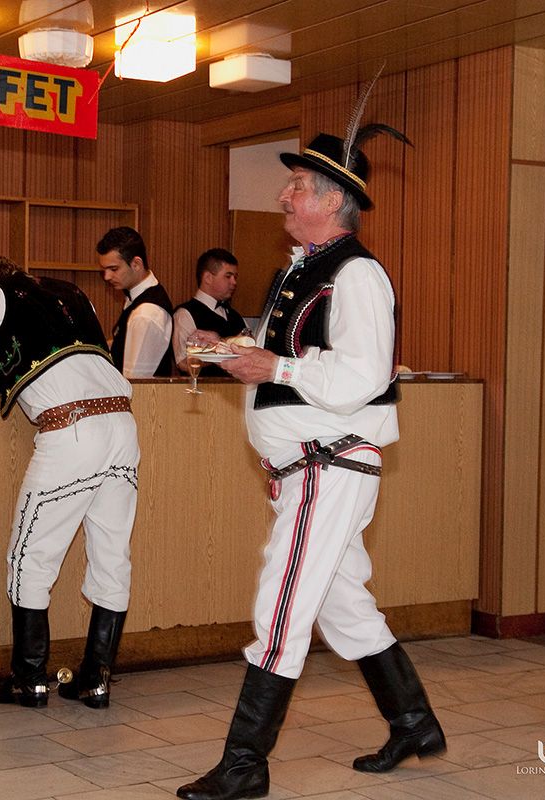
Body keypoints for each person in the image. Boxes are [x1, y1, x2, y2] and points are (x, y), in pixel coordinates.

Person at [178, 127, 443, 800]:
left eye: (296, 186)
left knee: (282, 605)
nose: (283, 195)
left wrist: (276, 366)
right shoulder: (302, 269)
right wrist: (224, 349)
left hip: (328, 464)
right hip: (307, 468)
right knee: (344, 606)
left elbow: (360, 374)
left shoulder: (357, 274)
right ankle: (413, 722)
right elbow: (280, 359)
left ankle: (245, 762)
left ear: (330, 200)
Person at [0, 254, 139, 709]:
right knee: (111, 556)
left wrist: (11, 378)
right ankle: (96, 679)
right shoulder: (72, 292)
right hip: (122, 424)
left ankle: (29, 678)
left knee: (30, 556)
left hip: (70, 429)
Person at [97, 226, 174, 378]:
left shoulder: (146, 314)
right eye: (104, 270)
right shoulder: (138, 295)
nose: (107, 276)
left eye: (114, 269)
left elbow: (135, 381)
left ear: (136, 264)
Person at [172, 248, 246, 376]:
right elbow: (183, 363)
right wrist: (217, 352)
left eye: (235, 277)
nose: (234, 282)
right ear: (208, 278)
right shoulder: (185, 313)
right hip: (203, 387)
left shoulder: (235, 316)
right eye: (228, 276)